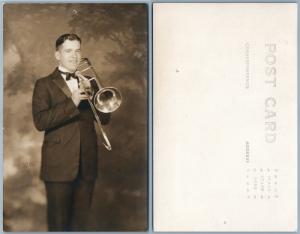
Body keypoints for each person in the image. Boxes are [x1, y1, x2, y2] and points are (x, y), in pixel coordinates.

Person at [32, 33, 110, 231]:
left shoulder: (90, 80)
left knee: (80, 226)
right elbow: (40, 122)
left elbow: (105, 119)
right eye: (68, 51)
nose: (74, 56)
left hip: (87, 165)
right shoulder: (44, 84)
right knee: (59, 226)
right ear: (57, 55)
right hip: (59, 167)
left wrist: (94, 96)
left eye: (77, 51)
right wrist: (73, 102)